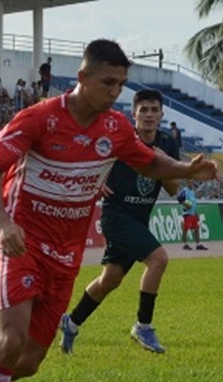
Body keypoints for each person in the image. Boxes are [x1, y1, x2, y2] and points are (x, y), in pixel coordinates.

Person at [0, 39, 218, 382]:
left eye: (120, 85)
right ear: (82, 77)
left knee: (28, 362)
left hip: (65, 255)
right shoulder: (40, 118)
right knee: (9, 342)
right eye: (107, 83)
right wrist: (3, 223)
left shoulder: (115, 128)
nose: (115, 92)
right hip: (21, 241)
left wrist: (186, 170)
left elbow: (148, 163)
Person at [60, 89, 182, 356]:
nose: (149, 115)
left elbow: (172, 187)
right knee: (158, 259)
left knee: (110, 279)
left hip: (139, 217)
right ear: (134, 114)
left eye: (154, 110)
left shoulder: (167, 143)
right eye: (143, 110)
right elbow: (84, 157)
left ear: (162, 114)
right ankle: (143, 326)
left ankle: (72, 322)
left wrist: (164, 164)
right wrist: (96, 180)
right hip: (115, 215)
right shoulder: (119, 138)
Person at [178, 179, 207, 250]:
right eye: (189, 182)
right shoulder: (185, 191)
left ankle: (198, 244)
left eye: (192, 182)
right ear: (186, 183)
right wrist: (186, 205)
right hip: (187, 213)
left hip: (193, 213)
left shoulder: (192, 192)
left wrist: (196, 212)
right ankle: (185, 244)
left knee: (196, 228)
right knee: (186, 229)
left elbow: (193, 203)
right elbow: (179, 199)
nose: (191, 184)